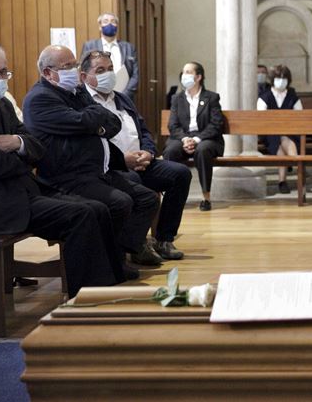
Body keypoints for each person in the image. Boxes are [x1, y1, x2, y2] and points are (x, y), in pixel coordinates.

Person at [0, 41, 123, 295]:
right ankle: (85, 299)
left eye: (2, 72)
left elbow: (36, 148)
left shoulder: (4, 105)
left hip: (20, 191)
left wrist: (16, 143)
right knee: (81, 215)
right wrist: (23, 157)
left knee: (96, 208)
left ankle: (109, 287)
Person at [23, 45, 162, 269]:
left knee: (148, 199)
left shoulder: (75, 91)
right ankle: (112, 262)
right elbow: (85, 122)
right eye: (66, 66)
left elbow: (111, 121)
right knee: (120, 202)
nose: (73, 70)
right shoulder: (40, 98)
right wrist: (92, 124)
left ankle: (119, 252)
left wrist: (92, 124)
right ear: (48, 72)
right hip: (66, 177)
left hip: (95, 172)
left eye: (74, 65)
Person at [81, 50, 191, 260]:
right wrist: (124, 160)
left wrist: (148, 152)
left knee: (180, 174)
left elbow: (143, 129)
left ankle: (163, 239)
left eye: (110, 69)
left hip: (141, 161)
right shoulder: (82, 101)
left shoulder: (122, 98)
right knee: (133, 181)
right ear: (84, 76)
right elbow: (90, 142)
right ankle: (136, 245)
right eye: (100, 70)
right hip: (112, 167)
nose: (108, 74)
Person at [164, 62, 224, 211]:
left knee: (202, 150)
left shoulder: (211, 97)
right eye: (183, 72)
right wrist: (185, 139)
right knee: (171, 151)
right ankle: (173, 196)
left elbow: (216, 124)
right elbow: (173, 125)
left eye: (188, 72)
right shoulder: (177, 99)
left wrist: (197, 140)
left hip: (207, 139)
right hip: (183, 138)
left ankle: (206, 197)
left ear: (198, 77)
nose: (184, 75)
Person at [257, 64, 303, 194]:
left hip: (291, 133)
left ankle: (282, 180)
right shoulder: (265, 96)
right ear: (272, 80)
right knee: (280, 139)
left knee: (284, 140)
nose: (281, 81)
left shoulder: (292, 95)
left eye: (284, 78)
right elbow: (261, 119)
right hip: (269, 133)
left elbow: (300, 116)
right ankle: (296, 164)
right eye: (278, 78)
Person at [81, 13, 139, 99]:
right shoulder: (90, 46)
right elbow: (85, 70)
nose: (110, 24)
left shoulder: (129, 47)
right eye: (106, 21)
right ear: (100, 26)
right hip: (98, 95)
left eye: (113, 21)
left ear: (117, 26)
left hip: (125, 95)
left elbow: (135, 74)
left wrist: (125, 95)